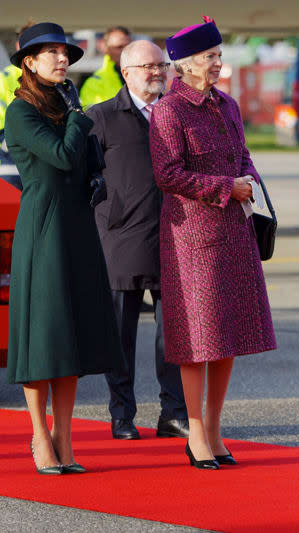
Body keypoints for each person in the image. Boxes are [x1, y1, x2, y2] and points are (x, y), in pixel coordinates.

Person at [149, 17, 276, 470]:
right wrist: (228, 186)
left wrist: (252, 185)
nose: (219, 63)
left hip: (234, 232)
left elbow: (244, 154)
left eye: (219, 55)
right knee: (198, 340)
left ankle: (216, 429)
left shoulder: (228, 106)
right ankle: (196, 434)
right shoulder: (169, 111)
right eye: (210, 57)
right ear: (184, 65)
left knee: (230, 335)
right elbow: (168, 175)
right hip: (192, 240)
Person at [4, 22, 125, 475]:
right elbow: (59, 156)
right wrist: (79, 117)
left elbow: (89, 160)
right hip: (44, 228)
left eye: (64, 52)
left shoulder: (65, 103)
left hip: (77, 225)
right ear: (29, 63)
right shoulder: (21, 110)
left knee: (70, 337)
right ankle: (38, 434)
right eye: (49, 52)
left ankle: (64, 438)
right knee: (44, 338)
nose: (61, 59)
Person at [87, 40, 189, 441]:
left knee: (175, 338)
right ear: (126, 72)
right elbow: (83, 178)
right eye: (146, 66)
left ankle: (174, 413)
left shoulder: (176, 114)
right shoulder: (103, 118)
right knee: (120, 337)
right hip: (121, 242)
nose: (156, 72)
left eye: (160, 65)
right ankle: (122, 415)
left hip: (175, 242)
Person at [0, 21, 34, 189]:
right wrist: (14, 147)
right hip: (11, 167)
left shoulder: (51, 81)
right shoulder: (2, 78)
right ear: (18, 45)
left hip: (43, 170)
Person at [80, 26, 131, 109]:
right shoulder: (93, 83)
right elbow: (92, 116)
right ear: (106, 49)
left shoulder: (146, 75)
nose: (125, 50)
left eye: (128, 46)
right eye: (119, 47)